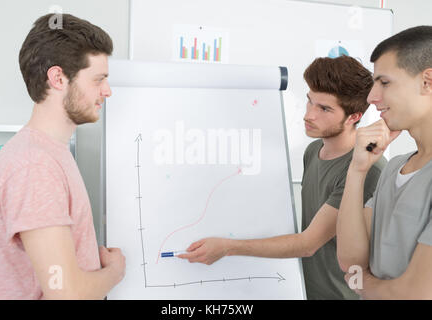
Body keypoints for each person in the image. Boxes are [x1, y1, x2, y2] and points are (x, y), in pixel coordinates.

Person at [178, 55, 387, 299]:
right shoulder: (313, 151)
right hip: (303, 290)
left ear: (354, 117)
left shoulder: (368, 168)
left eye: (324, 109)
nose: (309, 115)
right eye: (310, 102)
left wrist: (228, 247)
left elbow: (308, 244)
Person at [0, 13, 125, 299]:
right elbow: (66, 295)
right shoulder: (34, 166)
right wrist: (115, 272)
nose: (107, 91)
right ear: (58, 78)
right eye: (98, 80)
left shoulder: (48, 155)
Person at [336, 26, 432, 299]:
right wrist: (357, 170)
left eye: (385, 83)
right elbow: (351, 264)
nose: (371, 97)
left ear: (427, 81)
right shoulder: (394, 166)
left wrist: (364, 284)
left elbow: (416, 293)